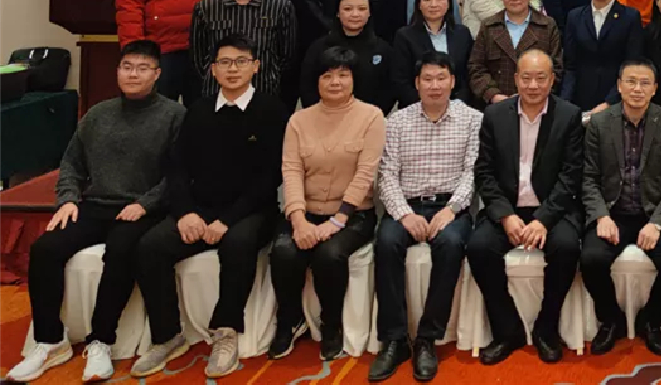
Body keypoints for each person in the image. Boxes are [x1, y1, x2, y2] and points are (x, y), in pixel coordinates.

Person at [6, 40, 184, 383]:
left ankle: (101, 340)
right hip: (95, 205)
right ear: (117, 71)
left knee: (120, 249)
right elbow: (71, 163)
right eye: (127, 67)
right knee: (45, 249)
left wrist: (144, 204)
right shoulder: (98, 114)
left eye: (143, 68)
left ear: (157, 74)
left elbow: (177, 175)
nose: (133, 74)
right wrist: (68, 199)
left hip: (142, 208)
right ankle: (50, 341)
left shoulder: (174, 115)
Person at [132, 36, 287, 378]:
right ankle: (167, 336)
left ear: (255, 67)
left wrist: (226, 220)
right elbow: (177, 168)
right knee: (151, 246)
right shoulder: (199, 110)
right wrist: (186, 212)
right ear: (213, 70)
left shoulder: (272, 111)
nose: (233, 69)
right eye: (225, 63)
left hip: (251, 211)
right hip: (199, 207)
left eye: (241, 62)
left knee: (237, 243)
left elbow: (269, 177)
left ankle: (226, 332)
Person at [466, 50, 585, 364]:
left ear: (552, 80)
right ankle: (508, 331)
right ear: (516, 79)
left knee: (567, 247)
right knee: (479, 248)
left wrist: (543, 219)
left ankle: (546, 328)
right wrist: (505, 216)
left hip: (551, 209)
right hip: (507, 208)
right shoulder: (494, 115)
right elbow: (484, 173)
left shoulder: (568, 115)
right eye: (527, 78)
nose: (533, 85)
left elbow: (571, 176)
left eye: (541, 78)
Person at [370, 51, 481, 382]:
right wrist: (404, 215)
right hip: (407, 205)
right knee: (386, 243)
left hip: (450, 206)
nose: (435, 86)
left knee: (451, 245)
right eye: (428, 79)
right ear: (417, 83)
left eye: (441, 78)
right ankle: (394, 339)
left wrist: (451, 209)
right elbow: (386, 175)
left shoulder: (472, 119)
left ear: (453, 81)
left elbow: (473, 172)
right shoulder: (396, 122)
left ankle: (427, 339)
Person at [269, 46, 384, 362]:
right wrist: (298, 220)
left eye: (343, 75)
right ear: (316, 81)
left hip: (353, 215)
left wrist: (337, 220)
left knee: (329, 255)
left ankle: (331, 325)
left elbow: (366, 174)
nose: (335, 82)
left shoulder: (372, 117)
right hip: (306, 211)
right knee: (283, 251)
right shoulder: (298, 120)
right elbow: (291, 171)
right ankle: (290, 320)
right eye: (327, 75)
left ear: (354, 79)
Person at [581, 60, 661, 357]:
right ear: (619, 86)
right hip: (613, 213)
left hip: (652, 214)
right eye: (630, 81)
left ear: (655, 89)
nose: (637, 89)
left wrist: (657, 223)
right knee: (590, 259)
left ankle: (651, 321)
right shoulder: (599, 123)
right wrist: (601, 216)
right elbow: (588, 178)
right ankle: (611, 320)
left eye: (644, 83)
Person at [190, 0, 297, 100]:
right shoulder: (207, 7)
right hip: (216, 96)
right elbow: (198, 58)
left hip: (264, 94)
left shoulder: (280, 6)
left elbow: (286, 57)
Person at [301, 0, 403, 115]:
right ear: (337, 12)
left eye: (362, 9)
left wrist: (370, 117)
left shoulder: (383, 50)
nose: (355, 14)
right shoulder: (319, 48)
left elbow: (390, 90)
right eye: (348, 9)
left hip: (369, 119)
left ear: (370, 12)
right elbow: (307, 88)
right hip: (324, 117)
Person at [468, 0, 563, 107]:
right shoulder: (489, 27)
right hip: (497, 106)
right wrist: (493, 95)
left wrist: (531, 95)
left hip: (539, 104)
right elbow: (476, 68)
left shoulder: (547, 26)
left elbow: (556, 68)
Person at [561, 0, 644, 113]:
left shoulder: (630, 17)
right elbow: (570, 65)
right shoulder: (575, 16)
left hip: (617, 102)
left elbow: (631, 65)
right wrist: (565, 103)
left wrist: (609, 102)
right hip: (580, 99)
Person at [394, 0, 475, 107]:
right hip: (417, 108)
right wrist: (427, 106)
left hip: (458, 108)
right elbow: (401, 82)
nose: (433, 4)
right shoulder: (404, 36)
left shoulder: (463, 34)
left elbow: (468, 76)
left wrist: (456, 105)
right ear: (419, 4)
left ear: (449, 3)